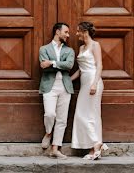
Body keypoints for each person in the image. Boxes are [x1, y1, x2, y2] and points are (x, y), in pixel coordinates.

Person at [70, 21, 108, 160]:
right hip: (84, 82)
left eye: (78, 31)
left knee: (91, 114)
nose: (76, 33)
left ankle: (96, 144)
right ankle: (94, 146)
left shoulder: (95, 45)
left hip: (93, 81)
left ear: (84, 31)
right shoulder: (81, 48)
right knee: (83, 114)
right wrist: (69, 80)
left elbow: (99, 65)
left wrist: (94, 84)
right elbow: (80, 70)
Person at [39, 22, 75, 159]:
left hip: (65, 86)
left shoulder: (69, 51)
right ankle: (48, 132)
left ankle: (55, 148)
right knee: (49, 114)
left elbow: (69, 65)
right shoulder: (44, 49)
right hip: (49, 85)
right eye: (66, 32)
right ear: (57, 32)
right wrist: (58, 64)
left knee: (62, 119)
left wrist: (52, 63)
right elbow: (44, 66)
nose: (68, 35)